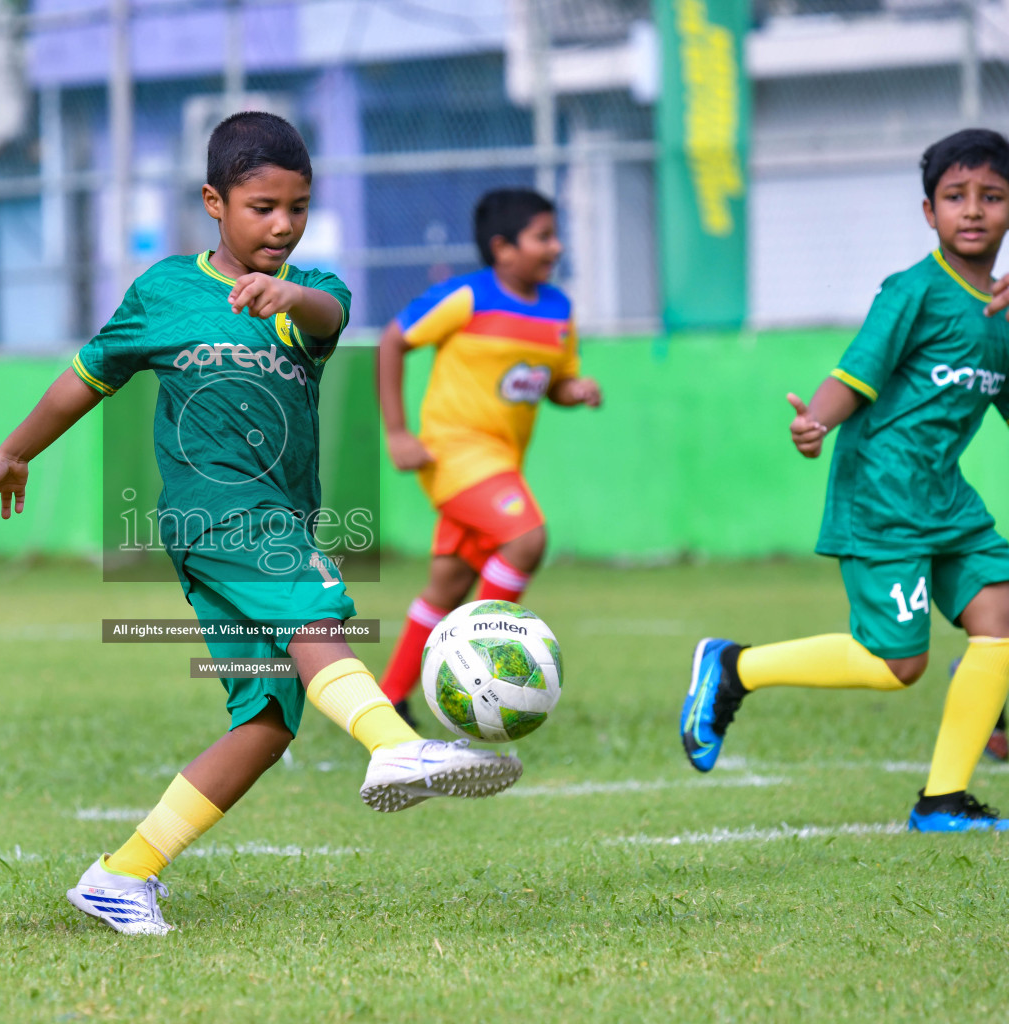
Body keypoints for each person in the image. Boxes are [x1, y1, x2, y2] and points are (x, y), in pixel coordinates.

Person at [0, 111, 522, 936]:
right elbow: (86, 378)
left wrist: (289, 292)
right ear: (214, 203)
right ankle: (393, 743)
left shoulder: (317, 291)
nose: (283, 224)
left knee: (266, 720)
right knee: (315, 613)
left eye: (298, 207)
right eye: (262, 207)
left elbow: (327, 319)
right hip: (215, 511)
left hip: (277, 512)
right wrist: (14, 452)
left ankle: (123, 875)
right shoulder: (163, 291)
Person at [681, 128, 1009, 832]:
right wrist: (818, 422)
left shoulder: (1003, 316)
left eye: (992, 197)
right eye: (956, 197)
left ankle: (943, 803)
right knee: (899, 664)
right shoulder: (913, 291)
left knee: (1000, 617)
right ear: (930, 212)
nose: (974, 210)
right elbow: (855, 370)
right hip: (883, 497)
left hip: (945, 499)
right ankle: (735, 667)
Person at [375, 189, 601, 722]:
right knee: (527, 538)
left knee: (448, 584)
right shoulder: (466, 298)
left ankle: (388, 703)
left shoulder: (559, 309)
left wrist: (577, 391)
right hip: (453, 453)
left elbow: (553, 385)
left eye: (555, 234)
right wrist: (397, 432)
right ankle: (484, 662)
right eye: (542, 237)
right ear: (502, 247)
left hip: (501, 464)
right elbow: (391, 341)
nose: (556, 247)